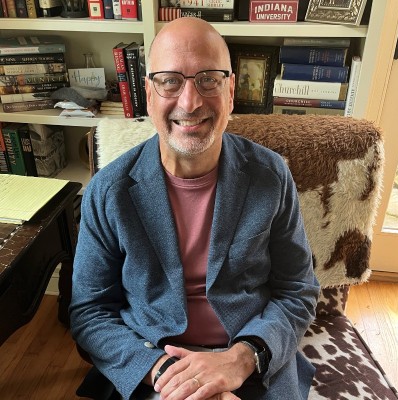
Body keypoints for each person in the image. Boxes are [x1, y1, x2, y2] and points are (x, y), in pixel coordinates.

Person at [70, 17, 320, 400]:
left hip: (252, 357)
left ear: (230, 91)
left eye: (209, 80)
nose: (190, 102)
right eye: (170, 81)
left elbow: (297, 290)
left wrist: (242, 358)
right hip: (152, 363)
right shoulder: (108, 192)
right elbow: (90, 311)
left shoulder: (271, 176)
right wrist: (171, 377)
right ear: (149, 95)